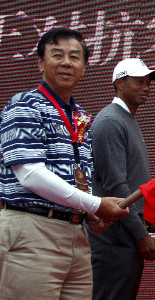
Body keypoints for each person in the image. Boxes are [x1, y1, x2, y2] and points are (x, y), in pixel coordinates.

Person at [0, 28, 130, 299]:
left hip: (76, 232)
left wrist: (88, 213)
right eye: (57, 55)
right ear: (40, 62)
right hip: (32, 228)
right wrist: (94, 204)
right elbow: (30, 175)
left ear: (84, 67)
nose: (67, 62)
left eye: (75, 56)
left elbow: (78, 176)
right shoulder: (25, 105)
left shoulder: (81, 115)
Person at [88, 57, 155, 300]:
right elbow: (116, 187)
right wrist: (140, 235)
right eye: (138, 81)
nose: (146, 87)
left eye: (148, 82)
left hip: (125, 231)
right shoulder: (110, 121)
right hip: (115, 234)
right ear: (119, 84)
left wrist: (146, 221)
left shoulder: (125, 118)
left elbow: (130, 183)